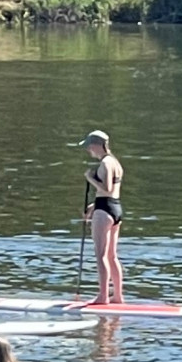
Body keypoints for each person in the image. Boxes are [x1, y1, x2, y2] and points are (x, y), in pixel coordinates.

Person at [80, 129, 124, 305]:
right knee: (112, 255)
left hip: (104, 211)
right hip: (115, 208)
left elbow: (105, 188)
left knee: (101, 255)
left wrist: (90, 177)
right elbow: (111, 193)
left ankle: (103, 296)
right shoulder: (116, 163)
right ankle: (118, 296)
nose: (88, 150)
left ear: (97, 145)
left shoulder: (105, 163)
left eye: (89, 146)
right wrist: (94, 205)